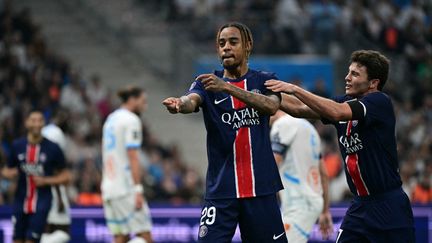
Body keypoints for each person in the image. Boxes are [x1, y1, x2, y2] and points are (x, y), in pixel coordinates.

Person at [265, 50, 415, 242]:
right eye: (348, 72)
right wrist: (265, 93)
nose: (347, 77)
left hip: (389, 205)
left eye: (355, 74)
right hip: (360, 206)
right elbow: (298, 109)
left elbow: (336, 113)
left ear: (373, 83)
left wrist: (294, 88)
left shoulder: (379, 102)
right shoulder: (343, 102)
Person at [162, 22, 287, 242]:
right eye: (221, 43)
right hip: (222, 189)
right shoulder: (207, 83)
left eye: (232, 42)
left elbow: (271, 106)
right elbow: (192, 100)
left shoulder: (265, 79)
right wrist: (180, 104)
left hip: (260, 189)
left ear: (248, 45)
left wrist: (228, 87)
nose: (226, 47)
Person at [1, 110, 70, 243]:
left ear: (44, 123)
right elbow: (8, 170)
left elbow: (66, 176)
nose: (37, 124)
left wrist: (46, 180)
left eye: (40, 120)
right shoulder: (17, 146)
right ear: (27, 123)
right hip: (20, 200)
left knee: (31, 240)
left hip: (42, 202)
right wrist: (9, 174)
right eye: (33, 120)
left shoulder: (53, 148)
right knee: (17, 239)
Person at [270, 110, 333, 242]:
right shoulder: (310, 129)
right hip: (311, 202)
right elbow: (324, 174)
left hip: (298, 204)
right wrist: (325, 210)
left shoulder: (282, 124)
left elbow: (272, 165)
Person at [101, 85, 153, 243]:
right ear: (132, 100)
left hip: (109, 188)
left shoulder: (110, 119)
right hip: (125, 189)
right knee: (145, 236)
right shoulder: (131, 120)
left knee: (120, 237)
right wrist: (137, 189)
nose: (145, 106)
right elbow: (133, 156)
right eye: (143, 101)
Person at [40, 109, 71, 243]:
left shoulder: (45, 131)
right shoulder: (56, 133)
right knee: (62, 231)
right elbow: (55, 166)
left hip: (41, 187)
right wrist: (59, 197)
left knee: (47, 228)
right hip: (53, 188)